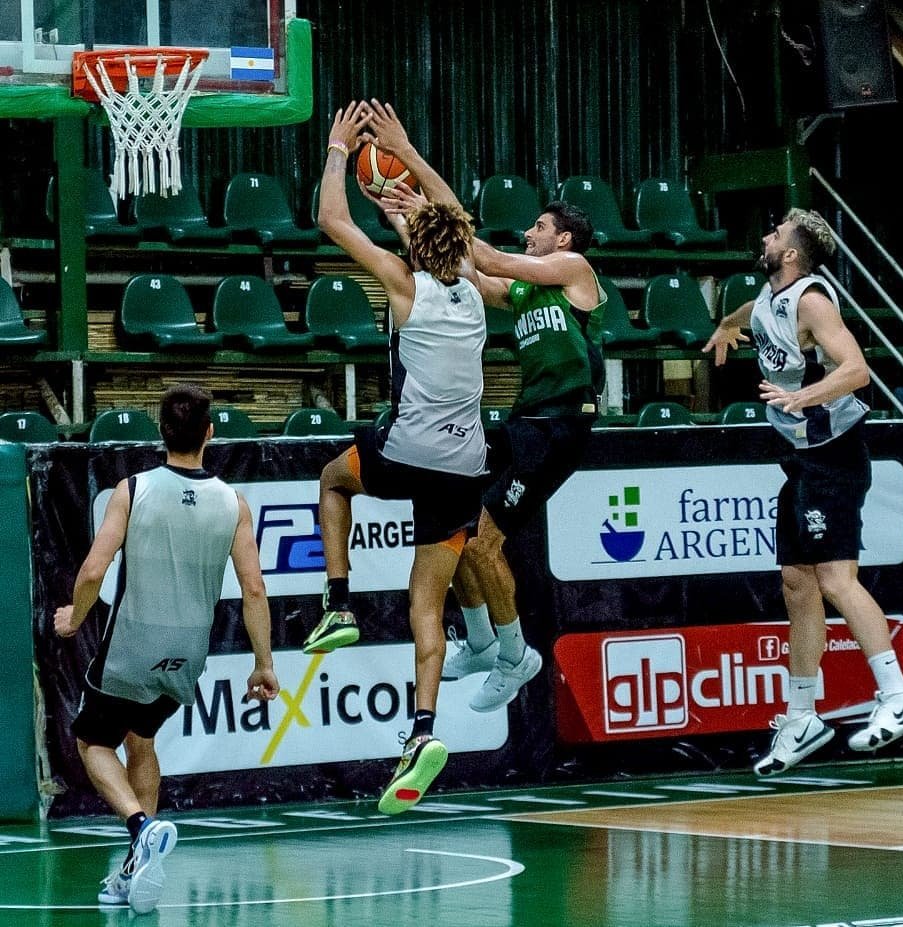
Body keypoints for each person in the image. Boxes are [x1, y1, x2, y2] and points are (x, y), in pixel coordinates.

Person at [355, 100, 605, 713]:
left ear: (563, 239)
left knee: (486, 540)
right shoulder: (523, 292)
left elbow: (483, 254)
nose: (530, 233)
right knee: (457, 521)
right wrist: (407, 218)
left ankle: (516, 655)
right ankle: (481, 638)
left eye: (539, 228)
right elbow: (461, 269)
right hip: (526, 421)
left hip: (563, 424)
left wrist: (409, 157)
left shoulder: (574, 270)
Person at [301, 102, 488, 814]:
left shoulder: (404, 283)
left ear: (414, 245)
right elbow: (452, 220)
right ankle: (423, 729)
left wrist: (337, 151)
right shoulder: (475, 288)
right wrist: (408, 152)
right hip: (464, 465)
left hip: (407, 450)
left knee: (332, 480)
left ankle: (338, 603)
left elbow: (331, 219)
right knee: (426, 603)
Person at [703, 208, 903, 776]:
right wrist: (727, 324)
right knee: (797, 583)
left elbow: (856, 370)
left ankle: (898, 695)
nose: (765, 236)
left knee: (835, 580)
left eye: (775, 233)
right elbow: (751, 312)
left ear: (792, 254)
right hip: (801, 460)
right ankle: (802, 718)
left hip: (834, 456)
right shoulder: (769, 294)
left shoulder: (812, 301)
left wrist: (800, 398)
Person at [54, 383, 279, 913]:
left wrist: (74, 618)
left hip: (132, 645)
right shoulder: (234, 503)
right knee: (143, 739)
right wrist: (263, 664)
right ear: (210, 433)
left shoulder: (133, 490)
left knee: (91, 743)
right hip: (187, 652)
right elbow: (253, 588)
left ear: (161, 432)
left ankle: (141, 826)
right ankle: (138, 868)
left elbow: (93, 570)